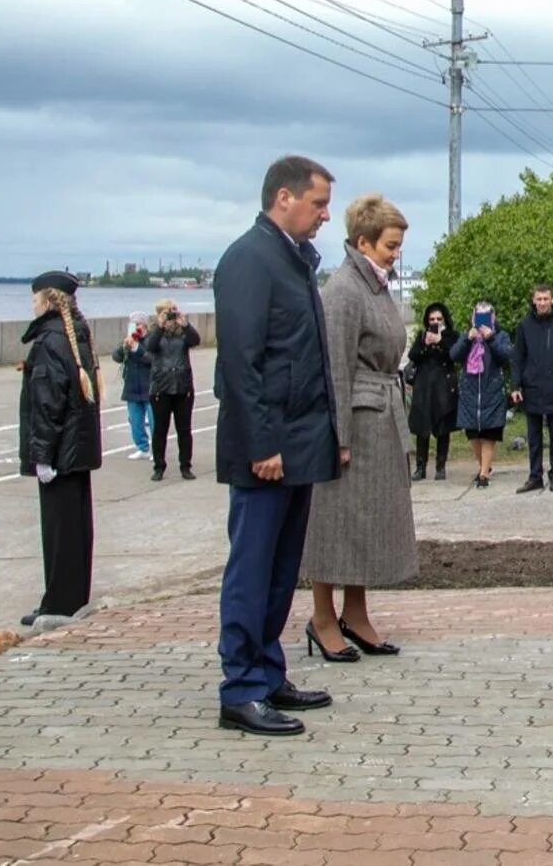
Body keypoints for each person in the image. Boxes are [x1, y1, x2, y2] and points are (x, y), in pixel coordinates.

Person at [213, 155, 341, 737]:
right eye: (318, 204)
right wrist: (262, 443)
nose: (325, 215)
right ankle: (240, 689)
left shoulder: (291, 260)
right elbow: (241, 364)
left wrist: (328, 440)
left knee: (281, 569)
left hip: (298, 445)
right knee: (252, 568)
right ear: (284, 198)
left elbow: (307, 361)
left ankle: (267, 673)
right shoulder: (250, 259)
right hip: (266, 451)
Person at [302, 194, 418, 664]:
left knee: (366, 523)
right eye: (391, 246)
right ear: (363, 242)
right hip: (356, 419)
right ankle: (322, 618)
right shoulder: (344, 291)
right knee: (334, 522)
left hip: (380, 417)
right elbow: (334, 369)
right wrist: (340, 436)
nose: (396, 254)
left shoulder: (374, 285)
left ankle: (356, 611)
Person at [18, 271, 102, 627]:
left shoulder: (50, 341)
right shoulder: (76, 337)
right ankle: (72, 596)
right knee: (77, 527)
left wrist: (42, 455)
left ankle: (58, 603)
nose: (32, 305)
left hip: (60, 452)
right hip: (75, 450)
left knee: (59, 531)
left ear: (49, 302)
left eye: (35, 299)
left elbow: (48, 403)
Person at [511, 284, 553, 493]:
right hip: (532, 388)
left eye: (545, 299)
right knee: (534, 438)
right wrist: (516, 384)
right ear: (533, 301)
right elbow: (518, 357)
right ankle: (535, 476)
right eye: (538, 299)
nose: (542, 303)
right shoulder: (524, 325)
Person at [452, 302, 514, 486]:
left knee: (489, 433)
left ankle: (484, 474)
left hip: (491, 391)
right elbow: (454, 356)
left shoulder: (501, 336)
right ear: (473, 317)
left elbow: (506, 357)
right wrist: (467, 339)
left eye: (486, 315)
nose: (482, 319)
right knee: (472, 434)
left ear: (493, 318)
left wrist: (491, 339)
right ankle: (484, 467)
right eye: (478, 315)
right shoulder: (466, 336)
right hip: (470, 392)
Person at [145, 298, 202, 482]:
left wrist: (185, 325)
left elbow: (195, 340)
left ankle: (185, 465)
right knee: (160, 430)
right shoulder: (153, 331)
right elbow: (150, 347)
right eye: (167, 311)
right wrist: (160, 327)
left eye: (173, 310)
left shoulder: (183, 333)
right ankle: (159, 466)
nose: (171, 314)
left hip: (182, 386)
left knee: (184, 429)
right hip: (161, 387)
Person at [407, 302, 458, 481]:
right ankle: (420, 467)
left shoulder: (452, 336)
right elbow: (412, 355)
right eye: (432, 319)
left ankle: (440, 466)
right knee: (422, 428)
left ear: (445, 319)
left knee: (443, 428)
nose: (435, 322)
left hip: (443, 387)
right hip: (424, 387)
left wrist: (440, 341)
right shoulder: (422, 335)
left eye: (438, 319)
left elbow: (454, 355)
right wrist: (425, 344)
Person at [111, 312, 153, 461]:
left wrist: (138, 349)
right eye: (133, 324)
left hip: (150, 386)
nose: (136, 327)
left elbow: (152, 359)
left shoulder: (151, 340)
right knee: (135, 421)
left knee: (154, 421)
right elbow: (116, 357)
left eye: (138, 324)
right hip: (132, 385)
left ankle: (157, 450)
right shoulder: (129, 339)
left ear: (144, 325)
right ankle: (142, 448)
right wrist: (125, 347)